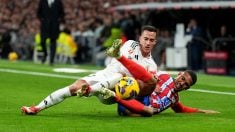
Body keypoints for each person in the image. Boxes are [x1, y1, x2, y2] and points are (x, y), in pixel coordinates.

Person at [21, 25, 158, 115]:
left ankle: (90, 90)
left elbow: (144, 84)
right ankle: (36, 108)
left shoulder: (151, 65)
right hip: (103, 76)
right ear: (140, 38)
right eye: (145, 39)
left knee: (120, 74)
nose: (148, 42)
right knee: (74, 87)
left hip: (115, 92)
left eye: (151, 40)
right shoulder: (130, 44)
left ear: (155, 42)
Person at [102, 45, 220, 117]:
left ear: (186, 88)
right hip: (140, 97)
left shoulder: (175, 99)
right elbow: (149, 74)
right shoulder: (165, 76)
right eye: (183, 79)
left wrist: (202, 111)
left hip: (140, 109)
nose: (182, 83)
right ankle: (114, 87)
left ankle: (115, 97)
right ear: (179, 74)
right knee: (141, 86)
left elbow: (181, 109)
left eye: (186, 84)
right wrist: (154, 84)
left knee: (149, 112)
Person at [37, 0, 65, 65]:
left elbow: (62, 13)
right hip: (45, 26)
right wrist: (42, 19)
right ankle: (45, 54)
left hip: (54, 26)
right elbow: (38, 12)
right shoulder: (43, 1)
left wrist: (58, 20)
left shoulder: (58, 2)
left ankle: (51, 60)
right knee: (42, 41)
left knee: (53, 42)